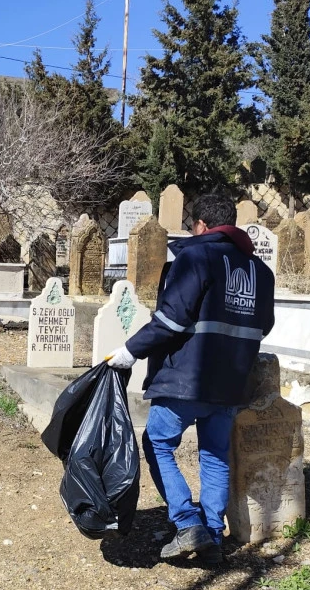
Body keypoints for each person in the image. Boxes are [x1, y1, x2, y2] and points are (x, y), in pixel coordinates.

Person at [106, 193, 275, 562]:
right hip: (232, 382)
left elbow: (171, 320)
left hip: (188, 377)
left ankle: (187, 523)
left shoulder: (195, 257)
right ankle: (213, 534)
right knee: (214, 455)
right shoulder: (260, 271)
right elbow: (265, 325)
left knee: (158, 443)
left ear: (199, 225)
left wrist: (130, 351)